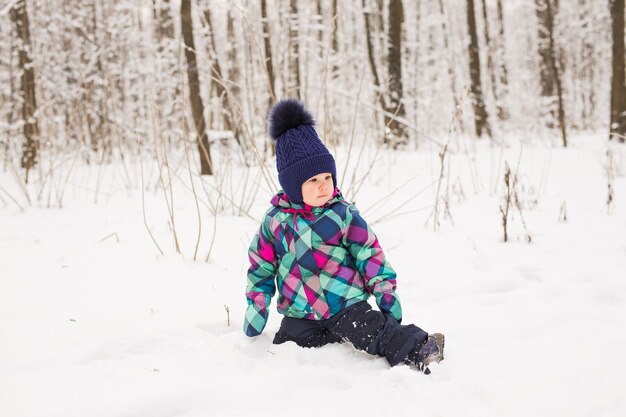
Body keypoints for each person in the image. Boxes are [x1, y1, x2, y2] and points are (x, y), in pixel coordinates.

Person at [243, 99, 444, 373]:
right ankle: (322, 340)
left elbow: (369, 254)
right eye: (312, 181)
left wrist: (385, 292)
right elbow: (261, 267)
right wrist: (258, 306)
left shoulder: (343, 215)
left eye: (327, 177)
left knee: (375, 332)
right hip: (299, 311)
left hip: (345, 304)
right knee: (283, 353)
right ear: (292, 186)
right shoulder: (274, 222)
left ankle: (421, 346)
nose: (323, 185)